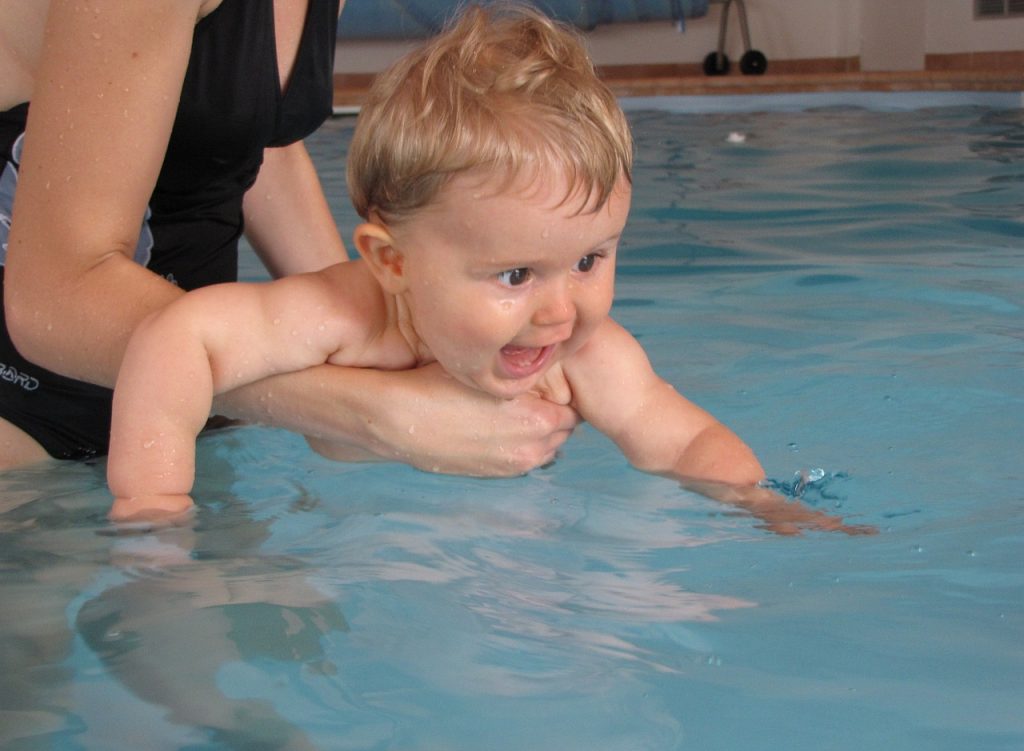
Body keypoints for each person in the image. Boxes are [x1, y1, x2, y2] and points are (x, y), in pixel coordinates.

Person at [106, 4, 873, 537]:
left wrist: (764, 505)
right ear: (392, 261)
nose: (559, 310)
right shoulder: (341, 319)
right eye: (515, 275)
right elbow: (179, 338)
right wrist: (155, 510)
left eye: (588, 259)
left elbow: (679, 440)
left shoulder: (583, 356)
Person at [0, 1, 576, 477]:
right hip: (20, 419)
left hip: (191, 413)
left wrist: (376, 338)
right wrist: (366, 410)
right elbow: (52, 298)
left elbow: (246, 129)